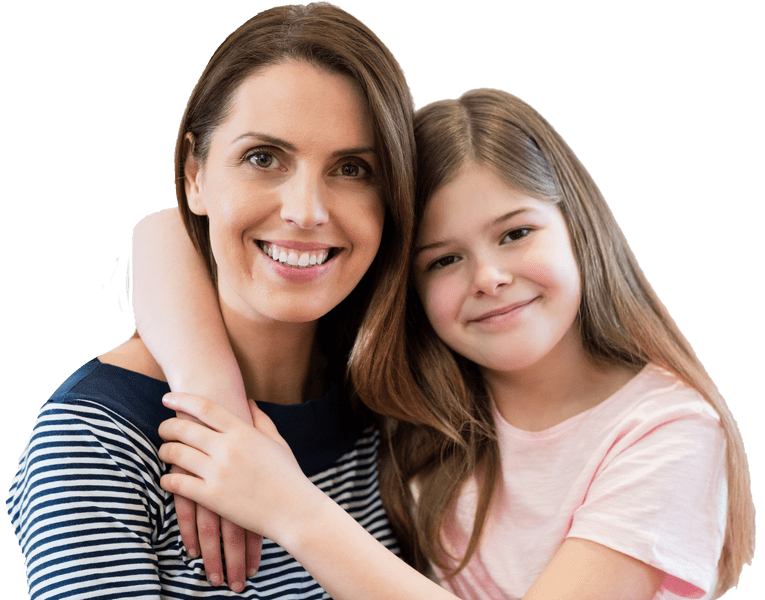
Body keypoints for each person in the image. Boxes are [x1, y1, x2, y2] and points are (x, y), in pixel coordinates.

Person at [149, 89, 755, 599]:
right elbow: (160, 236)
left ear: (579, 225)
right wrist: (214, 398)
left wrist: (290, 507)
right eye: (443, 261)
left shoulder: (668, 429)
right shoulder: (417, 392)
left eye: (516, 232)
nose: (488, 277)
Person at [6, 3, 417, 598]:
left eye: (353, 169)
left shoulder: (386, 395)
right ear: (195, 175)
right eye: (263, 158)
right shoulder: (93, 447)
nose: (306, 210)